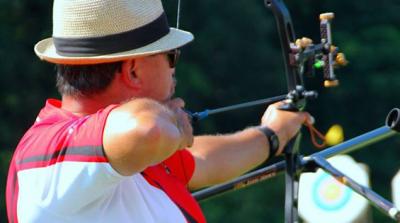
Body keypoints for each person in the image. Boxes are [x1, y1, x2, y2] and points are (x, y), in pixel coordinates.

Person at [6, 0, 309, 222]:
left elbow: (202, 159)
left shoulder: (125, 153)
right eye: (170, 56)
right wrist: (173, 122)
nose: (174, 69)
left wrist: (272, 133)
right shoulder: (49, 153)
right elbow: (149, 129)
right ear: (134, 71)